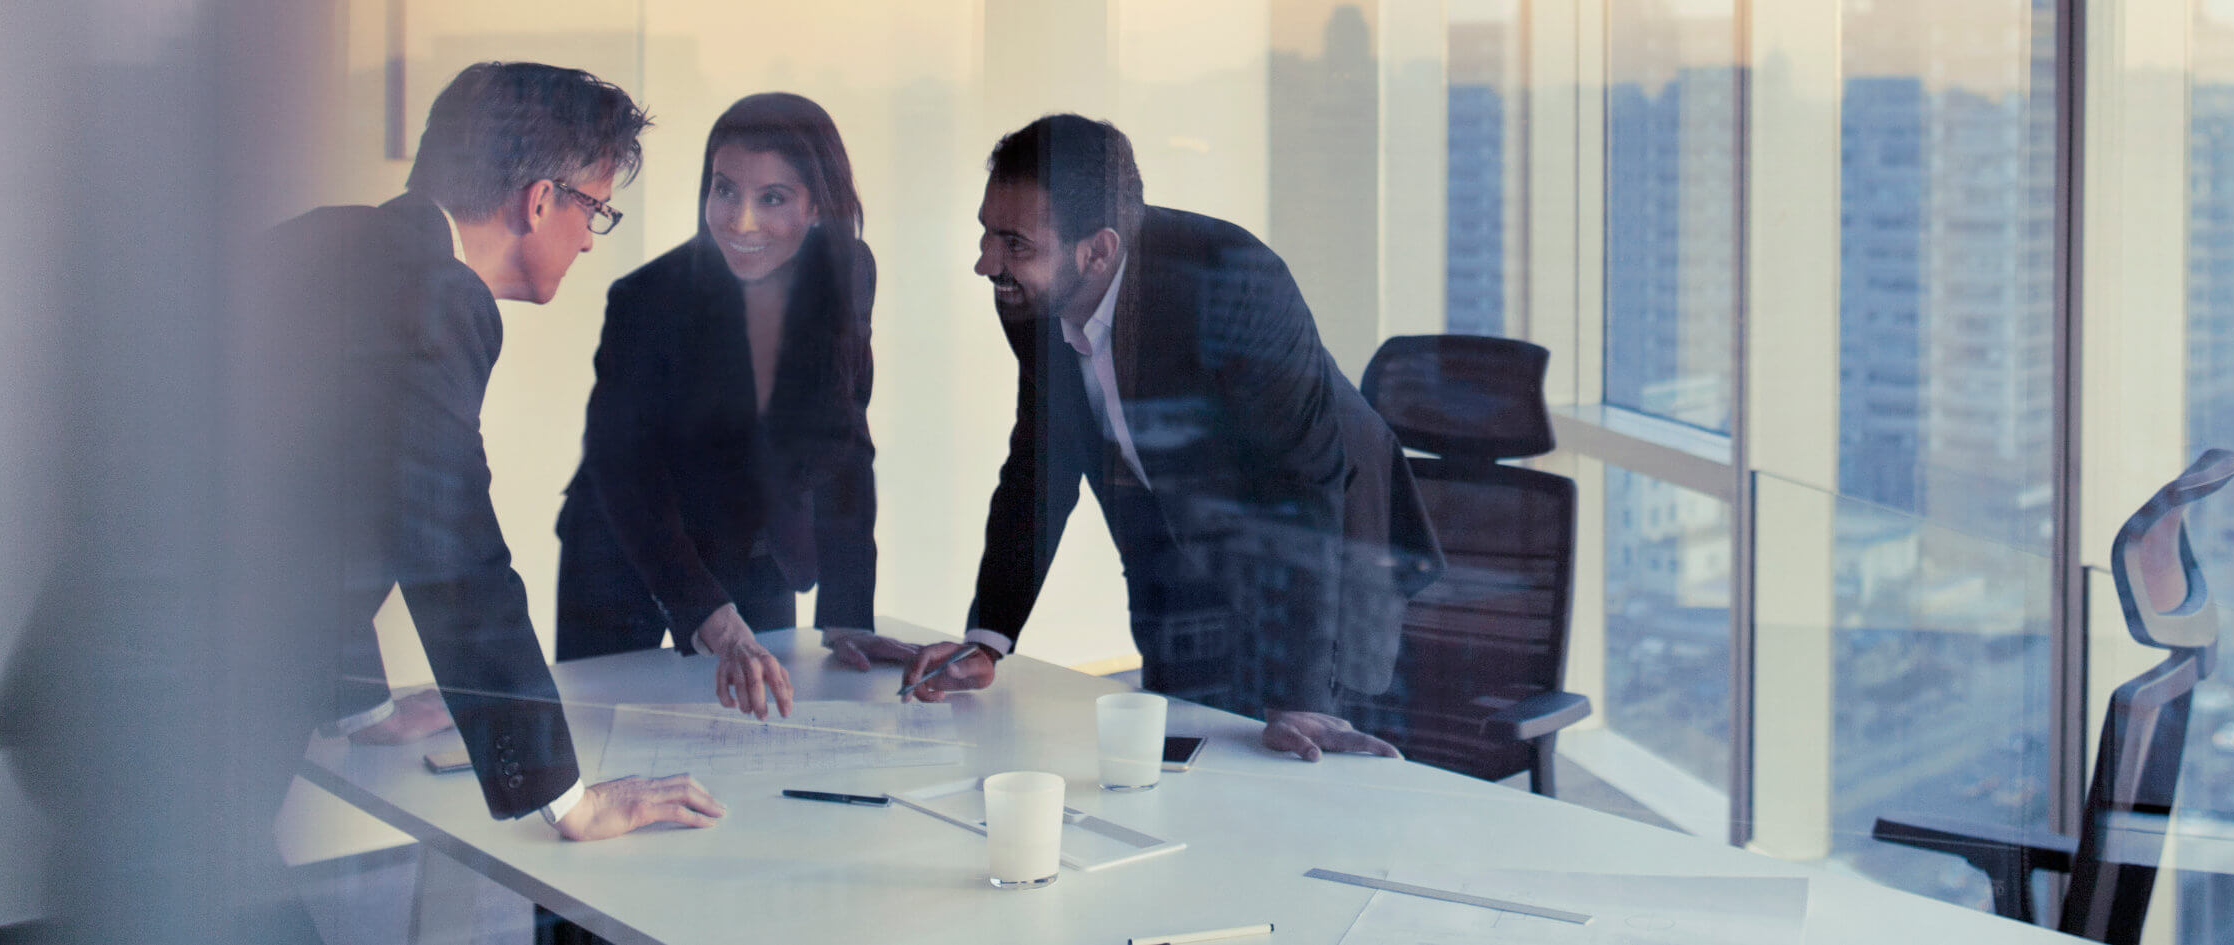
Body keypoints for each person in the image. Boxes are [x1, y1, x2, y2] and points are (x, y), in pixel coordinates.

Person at [266, 61, 726, 840]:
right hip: (174, 717)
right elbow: (456, 554)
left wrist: (363, 705)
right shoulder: (437, 300)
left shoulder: (337, 239)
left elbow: (315, 505)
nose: (588, 240)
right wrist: (567, 796)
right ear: (539, 199)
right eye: (596, 211)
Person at [902, 115, 1444, 761]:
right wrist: (988, 637)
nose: (985, 262)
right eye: (987, 232)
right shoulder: (1027, 297)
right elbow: (1039, 467)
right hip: (1180, 554)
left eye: (1014, 243)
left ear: (1098, 250)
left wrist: (1300, 692)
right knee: (1187, 768)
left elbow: (1299, 484)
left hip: (1330, 556)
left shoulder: (1235, 281)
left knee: (1310, 776)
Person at [557, 93, 919, 719]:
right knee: (612, 741)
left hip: (756, 545)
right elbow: (628, 478)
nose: (740, 221)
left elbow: (845, 444)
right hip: (624, 552)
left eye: (773, 198)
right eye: (725, 191)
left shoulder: (846, 270)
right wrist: (713, 621)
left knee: (757, 736)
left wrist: (846, 616)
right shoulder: (647, 301)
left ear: (815, 206)